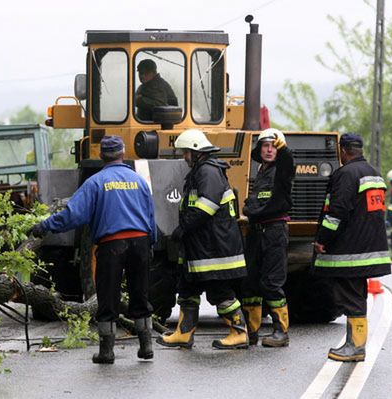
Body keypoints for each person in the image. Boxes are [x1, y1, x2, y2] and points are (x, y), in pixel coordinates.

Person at [29, 136, 156, 364]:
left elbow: (72, 215)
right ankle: (146, 346)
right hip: (140, 242)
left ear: (101, 156)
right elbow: (150, 216)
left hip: (112, 245)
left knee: (107, 298)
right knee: (141, 294)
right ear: (123, 154)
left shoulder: (96, 183)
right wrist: (151, 244)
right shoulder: (139, 182)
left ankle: (107, 351)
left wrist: (44, 226)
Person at [156, 129, 248, 350]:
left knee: (220, 292)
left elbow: (207, 206)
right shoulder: (201, 170)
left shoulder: (208, 171)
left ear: (196, 151)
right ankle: (184, 333)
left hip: (213, 248)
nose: (184, 157)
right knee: (187, 289)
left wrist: (183, 227)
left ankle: (239, 332)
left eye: (186, 153)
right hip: (200, 247)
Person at [313, 133, 391, 362]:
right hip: (370, 246)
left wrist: (322, 239)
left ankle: (356, 347)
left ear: (343, 151)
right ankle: (354, 344)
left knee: (350, 296)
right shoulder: (374, 173)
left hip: (350, 250)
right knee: (356, 294)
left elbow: (336, 213)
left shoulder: (346, 174)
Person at [241, 128, 294, 347]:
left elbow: (288, 163)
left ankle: (281, 332)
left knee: (271, 283)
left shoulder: (282, 169)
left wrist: (284, 148)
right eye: (265, 145)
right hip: (256, 231)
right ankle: (251, 332)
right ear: (259, 149)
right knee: (250, 281)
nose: (269, 150)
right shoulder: (261, 171)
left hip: (274, 231)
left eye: (274, 146)